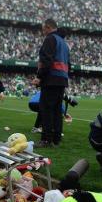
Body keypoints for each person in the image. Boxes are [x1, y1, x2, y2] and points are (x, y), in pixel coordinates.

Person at [32, 19, 70, 147]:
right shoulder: (63, 43)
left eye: (43, 29)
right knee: (56, 111)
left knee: (46, 110)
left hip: (51, 78)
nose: (43, 32)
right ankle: (56, 138)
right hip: (61, 80)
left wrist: (39, 77)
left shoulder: (50, 39)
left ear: (48, 27)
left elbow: (46, 60)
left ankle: (46, 139)